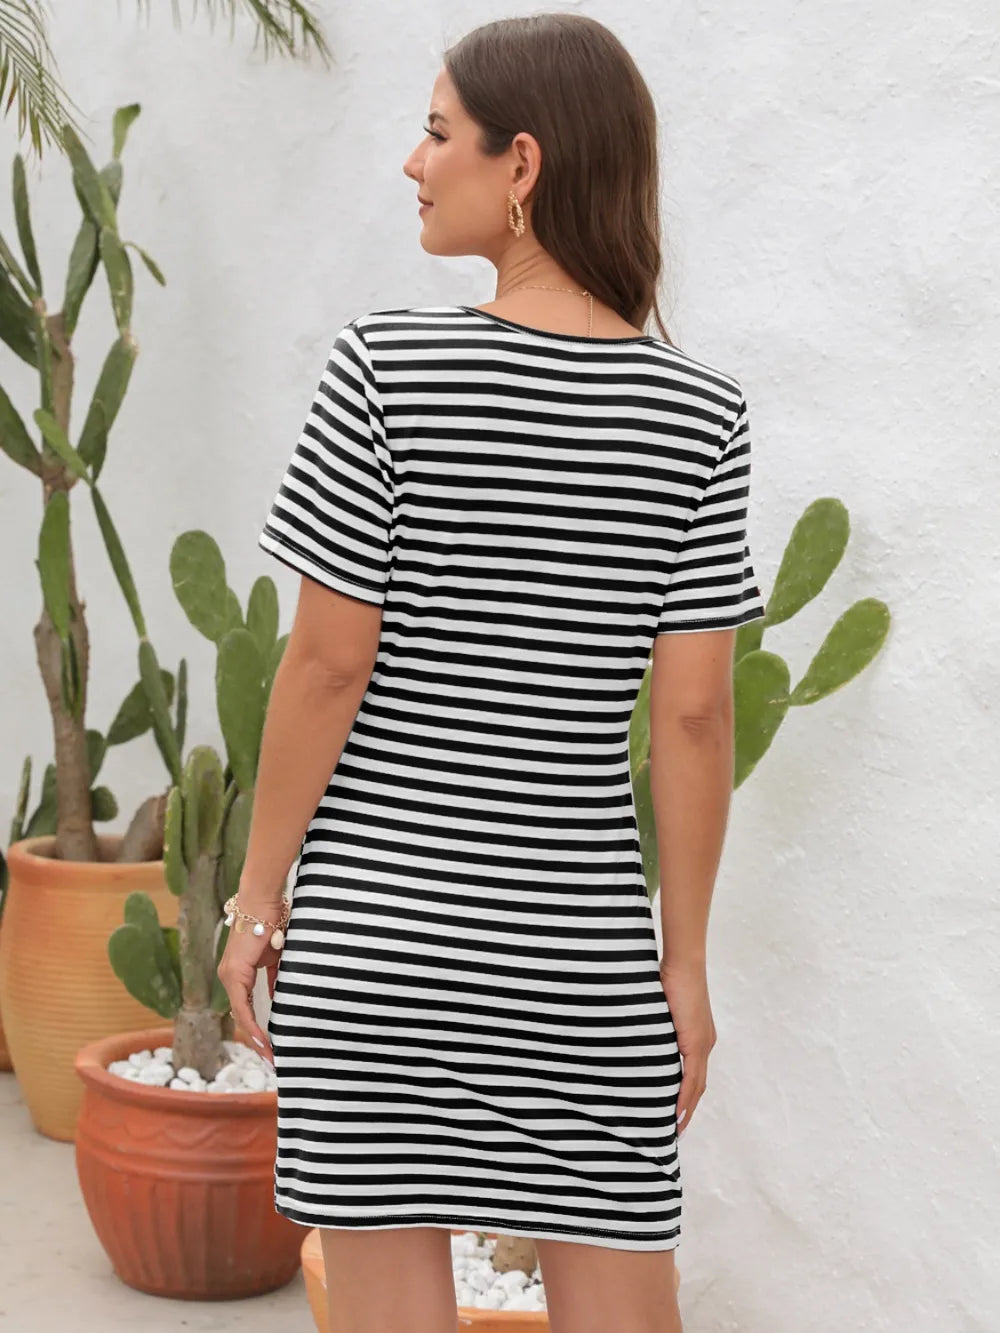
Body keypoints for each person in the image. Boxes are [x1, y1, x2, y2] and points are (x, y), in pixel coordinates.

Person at [218, 12, 766, 1333]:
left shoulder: (385, 367)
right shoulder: (701, 413)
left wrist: (257, 898)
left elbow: (324, 669)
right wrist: (684, 969)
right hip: (578, 954)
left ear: (521, 164)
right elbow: (694, 717)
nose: (412, 163)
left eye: (436, 133)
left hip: (379, 934)